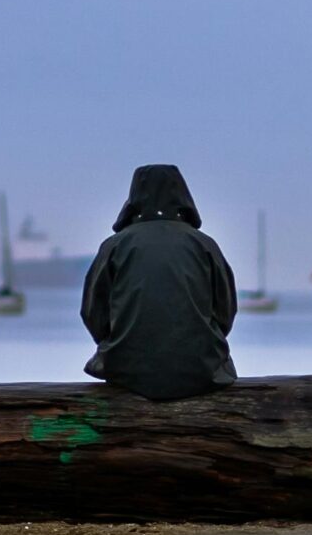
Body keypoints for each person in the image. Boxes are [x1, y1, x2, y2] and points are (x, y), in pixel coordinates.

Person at [81, 164, 237, 401]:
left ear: (133, 199)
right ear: (183, 197)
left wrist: (119, 340)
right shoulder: (204, 245)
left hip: (125, 370)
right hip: (202, 371)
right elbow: (226, 312)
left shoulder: (114, 246)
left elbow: (92, 313)